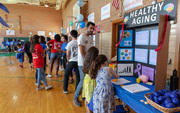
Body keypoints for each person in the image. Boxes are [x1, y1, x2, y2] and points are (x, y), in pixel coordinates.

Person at [74, 21, 95, 106]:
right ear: (86, 28)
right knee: (83, 80)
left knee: (87, 80)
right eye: (91, 28)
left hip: (89, 62)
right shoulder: (82, 37)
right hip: (83, 63)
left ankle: (84, 95)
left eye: (93, 28)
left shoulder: (90, 38)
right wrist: (89, 61)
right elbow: (82, 52)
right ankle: (75, 97)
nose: (92, 30)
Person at [82, 47, 99, 113]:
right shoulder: (95, 63)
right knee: (91, 99)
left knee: (87, 97)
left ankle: (87, 110)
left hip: (87, 80)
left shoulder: (86, 61)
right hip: (92, 81)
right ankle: (89, 111)